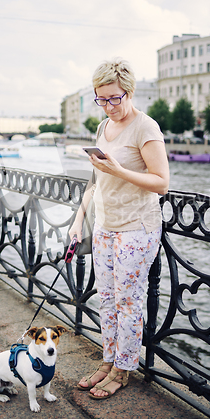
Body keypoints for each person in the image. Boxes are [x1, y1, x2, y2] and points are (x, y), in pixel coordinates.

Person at [69, 57, 169, 400]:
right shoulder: (103, 127)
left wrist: (118, 171)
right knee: (108, 300)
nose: (109, 106)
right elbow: (95, 181)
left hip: (136, 229)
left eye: (115, 98)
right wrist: (79, 220)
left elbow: (161, 183)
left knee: (129, 302)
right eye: (102, 99)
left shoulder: (146, 128)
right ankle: (107, 360)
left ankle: (123, 370)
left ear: (129, 92)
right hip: (105, 227)